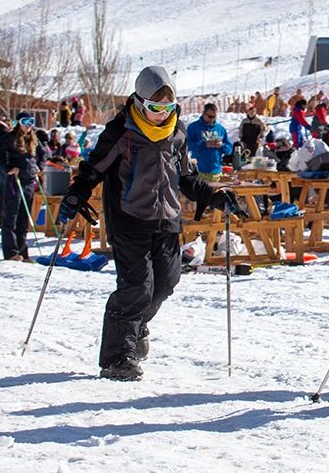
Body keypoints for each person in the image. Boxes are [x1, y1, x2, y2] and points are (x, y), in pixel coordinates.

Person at [56, 66, 235, 381]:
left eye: (168, 107)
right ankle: (117, 358)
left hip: (166, 219)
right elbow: (93, 168)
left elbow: (186, 177)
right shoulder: (121, 131)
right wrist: (76, 193)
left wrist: (213, 196)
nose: (162, 114)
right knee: (137, 286)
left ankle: (137, 326)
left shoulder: (177, 132)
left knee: (166, 282)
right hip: (129, 219)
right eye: (155, 107)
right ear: (139, 102)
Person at [0, 112, 42, 260]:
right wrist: (7, 168)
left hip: (29, 180)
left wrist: (37, 167)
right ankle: (11, 252)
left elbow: (42, 155)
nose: (29, 125)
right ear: (18, 123)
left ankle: (22, 252)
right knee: (11, 216)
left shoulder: (33, 138)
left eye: (31, 121)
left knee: (23, 218)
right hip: (15, 180)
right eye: (25, 121)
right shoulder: (10, 137)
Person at [186, 103, 232, 182]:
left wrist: (221, 145)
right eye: (210, 116)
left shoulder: (220, 129)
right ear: (204, 114)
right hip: (199, 170)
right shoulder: (193, 127)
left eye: (214, 117)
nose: (212, 119)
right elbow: (188, 146)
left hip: (217, 171)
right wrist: (204, 144)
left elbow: (229, 149)